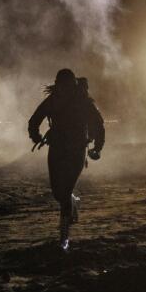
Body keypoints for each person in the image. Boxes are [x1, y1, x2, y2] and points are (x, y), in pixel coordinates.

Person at [27, 68, 105, 250]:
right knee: (57, 192)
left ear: (73, 85)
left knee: (66, 189)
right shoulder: (53, 100)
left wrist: (97, 148)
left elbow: (99, 126)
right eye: (61, 86)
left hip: (77, 150)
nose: (64, 89)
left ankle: (64, 237)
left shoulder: (85, 103)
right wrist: (36, 136)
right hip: (56, 149)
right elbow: (34, 120)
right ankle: (72, 201)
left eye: (67, 86)